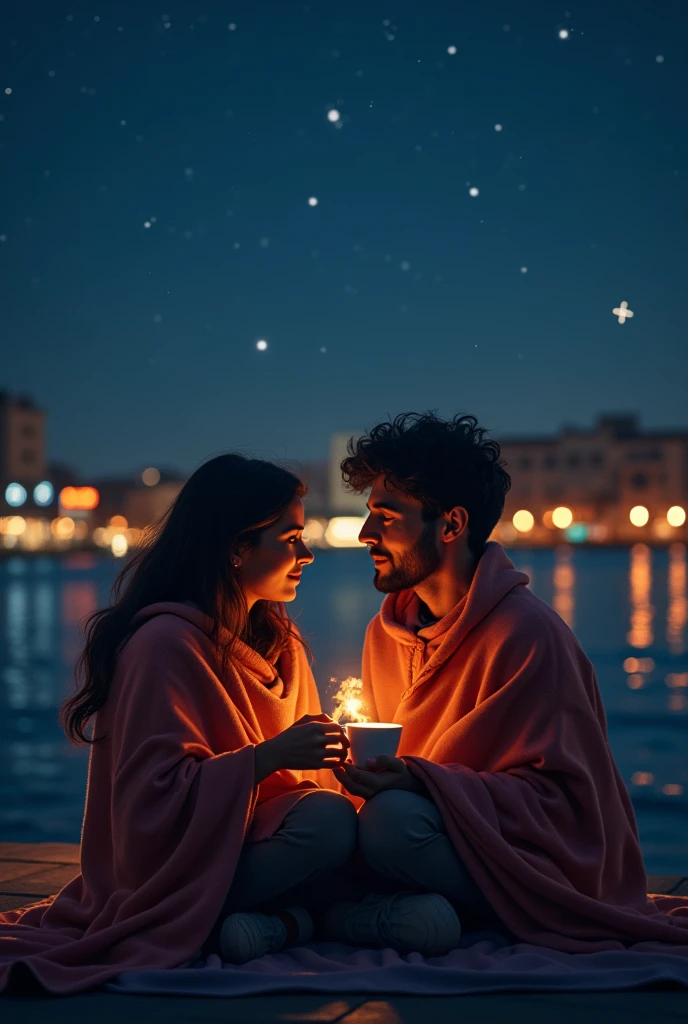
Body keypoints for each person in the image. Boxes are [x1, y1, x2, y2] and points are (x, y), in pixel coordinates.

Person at [329, 412, 688, 954]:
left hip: (529, 859)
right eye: (368, 514)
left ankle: (352, 916)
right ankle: (406, 912)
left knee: (393, 823)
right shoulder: (385, 635)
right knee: (325, 817)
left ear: (450, 525)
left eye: (387, 516)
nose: (365, 533)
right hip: (442, 837)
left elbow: (565, 805)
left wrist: (421, 783)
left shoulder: (527, 635)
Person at [1, 454, 355, 993]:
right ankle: (301, 920)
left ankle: (283, 923)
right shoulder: (163, 645)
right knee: (326, 825)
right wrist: (269, 758)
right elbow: (149, 806)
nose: (306, 554)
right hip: (172, 872)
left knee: (355, 819)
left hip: (252, 842)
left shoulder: (281, 643)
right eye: (290, 539)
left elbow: (300, 786)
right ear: (237, 548)